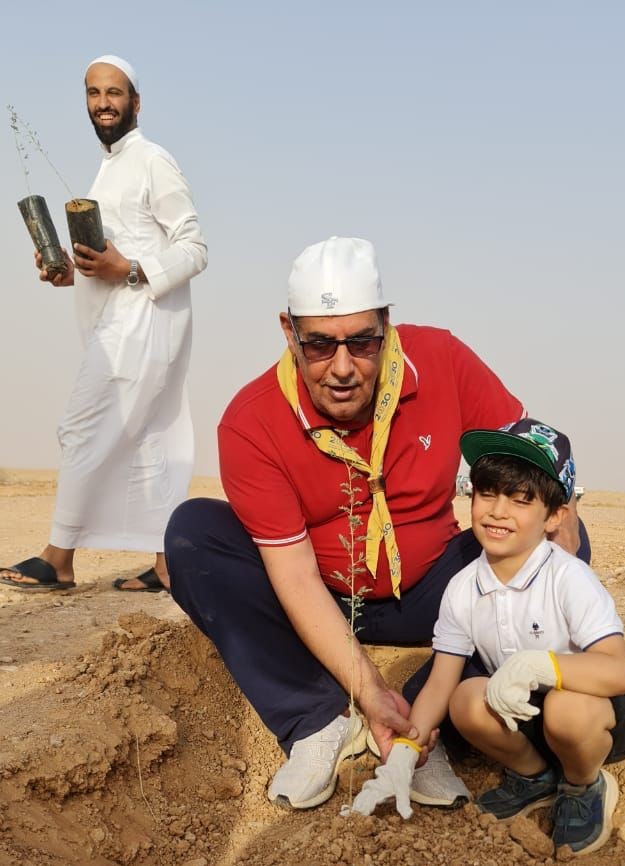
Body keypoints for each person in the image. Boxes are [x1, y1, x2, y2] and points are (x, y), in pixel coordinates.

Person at [165, 236, 587, 810]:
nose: (342, 368)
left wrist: (567, 514)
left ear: (386, 326)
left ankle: (428, 721)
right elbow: (294, 578)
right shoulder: (251, 421)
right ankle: (316, 720)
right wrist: (368, 692)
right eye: (319, 345)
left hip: (434, 592)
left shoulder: (442, 359)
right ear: (289, 332)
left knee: (555, 546)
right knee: (193, 532)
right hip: (321, 596)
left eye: (362, 342)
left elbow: (532, 456)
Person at [353, 420, 625, 855]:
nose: (498, 511)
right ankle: (535, 777)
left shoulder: (568, 577)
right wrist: (405, 750)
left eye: (521, 499)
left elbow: (617, 672)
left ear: (555, 516)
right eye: (487, 493)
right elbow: (440, 682)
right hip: (530, 716)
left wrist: (539, 665)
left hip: (601, 713)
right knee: (465, 699)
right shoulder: (463, 588)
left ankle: (583, 784)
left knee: (566, 708)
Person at [1, 54, 207, 593]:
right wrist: (73, 273)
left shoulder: (153, 160)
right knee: (151, 440)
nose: (103, 103)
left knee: (81, 428)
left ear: (136, 102)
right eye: (93, 93)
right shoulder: (107, 168)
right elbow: (114, 258)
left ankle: (59, 558)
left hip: (143, 326)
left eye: (114, 93)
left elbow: (194, 248)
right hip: (121, 323)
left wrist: (130, 269)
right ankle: (168, 565)